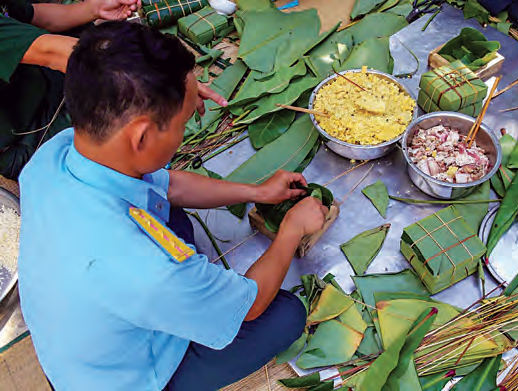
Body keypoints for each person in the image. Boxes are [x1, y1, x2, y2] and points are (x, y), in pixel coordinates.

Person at [18, 21, 328, 391]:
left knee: (169, 211)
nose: (183, 134)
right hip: (122, 379)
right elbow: (252, 305)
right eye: (182, 123)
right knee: (286, 315)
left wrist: (257, 192)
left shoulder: (55, 155)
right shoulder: (149, 271)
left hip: (81, 341)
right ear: (143, 135)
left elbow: (168, 185)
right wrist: (291, 229)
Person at [0, 0, 140, 179]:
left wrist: (95, 8)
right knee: (124, 132)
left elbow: (35, 15)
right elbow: (53, 53)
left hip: (40, 81)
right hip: (28, 135)